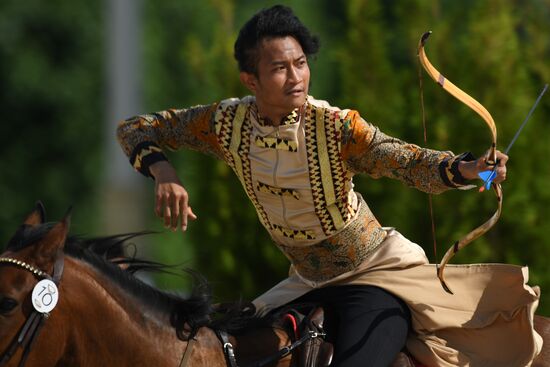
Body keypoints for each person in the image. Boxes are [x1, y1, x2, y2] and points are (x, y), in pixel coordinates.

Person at [117, 5, 542, 366]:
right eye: (279, 68)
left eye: (300, 63)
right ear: (250, 80)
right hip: (303, 280)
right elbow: (135, 128)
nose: (296, 77)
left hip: (378, 275)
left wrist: (471, 170)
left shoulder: (336, 127)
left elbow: (406, 161)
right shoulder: (224, 123)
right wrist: (164, 173)